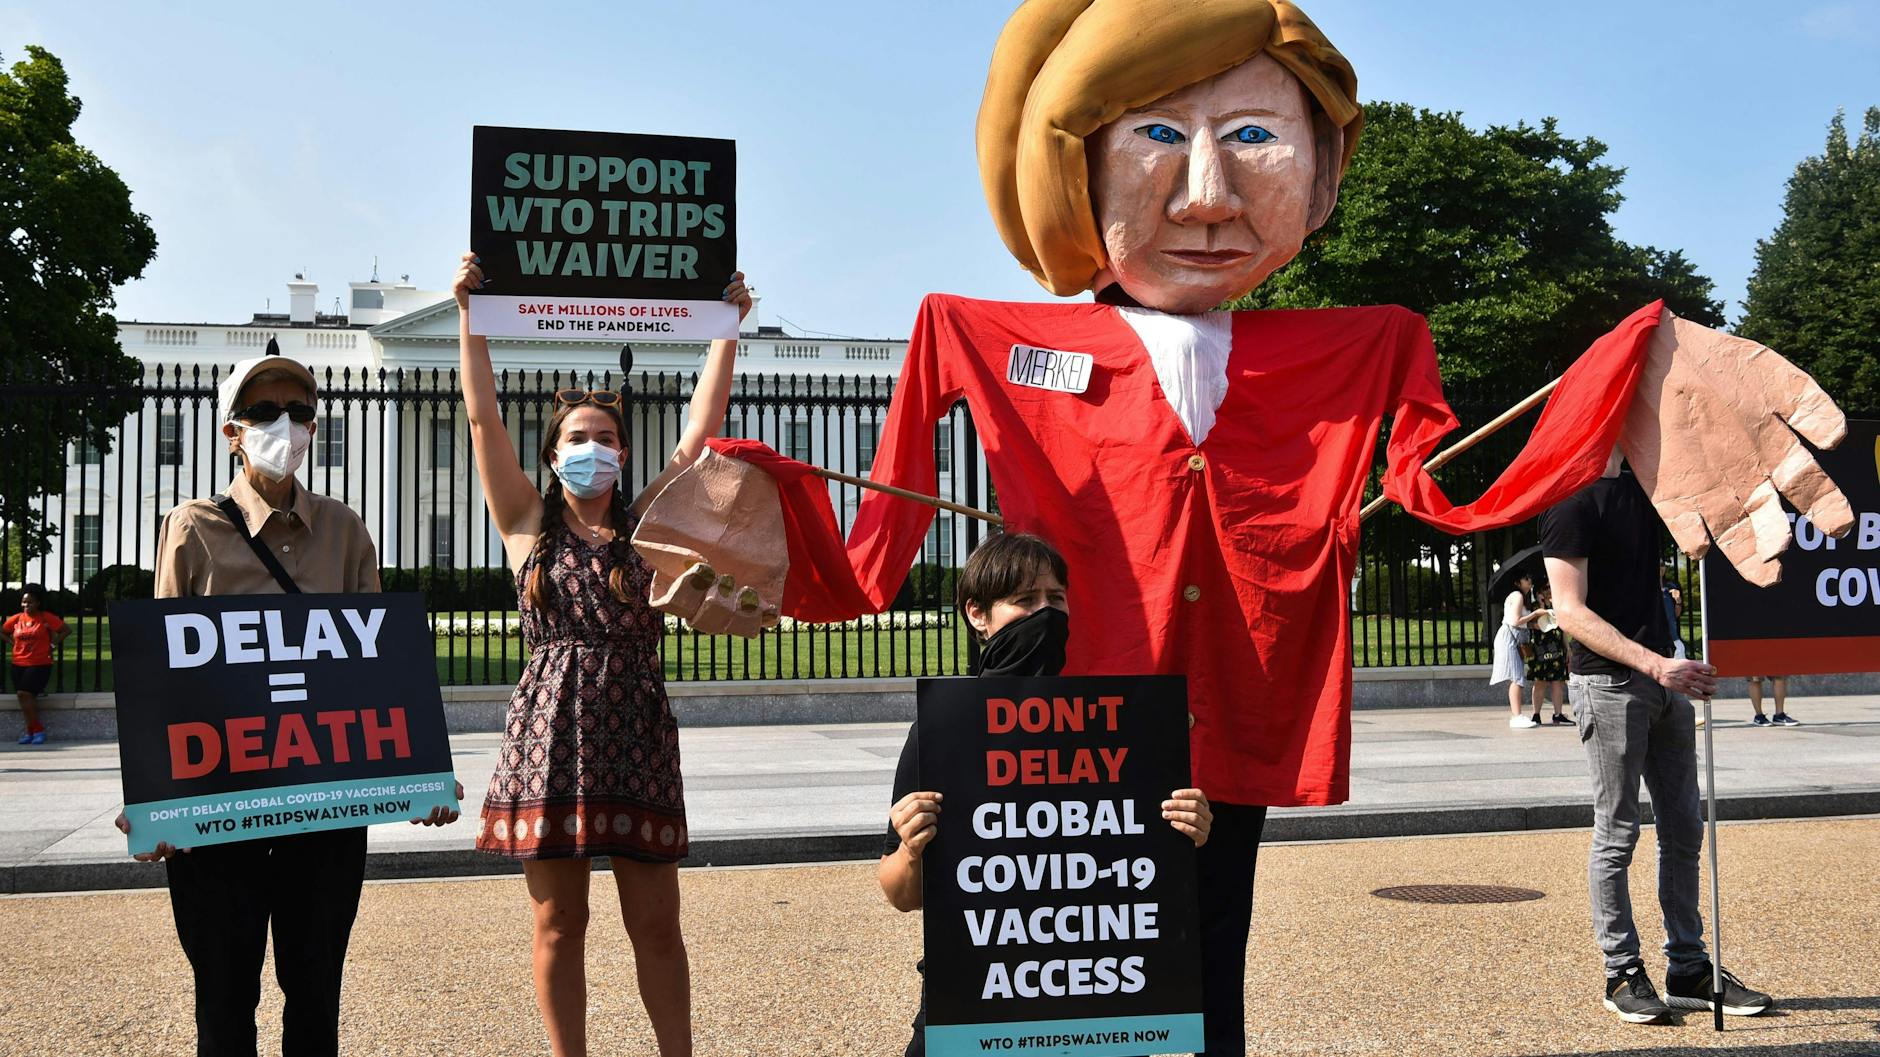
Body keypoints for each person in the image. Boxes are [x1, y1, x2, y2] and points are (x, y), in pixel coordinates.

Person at [113, 351, 462, 1056]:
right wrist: (151, 797)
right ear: (232, 431)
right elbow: (165, 676)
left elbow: (378, 668)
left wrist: (421, 770)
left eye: (299, 412)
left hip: (324, 812)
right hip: (220, 808)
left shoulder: (345, 529)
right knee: (223, 998)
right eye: (266, 411)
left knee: (315, 996)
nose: (287, 424)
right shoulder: (193, 527)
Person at [454, 252, 750, 1057]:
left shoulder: (649, 521)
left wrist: (727, 329)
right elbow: (483, 420)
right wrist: (468, 318)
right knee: (558, 920)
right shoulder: (524, 521)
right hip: (548, 737)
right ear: (552, 456)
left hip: (635, 732)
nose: (596, 448)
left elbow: (698, 436)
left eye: (608, 437)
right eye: (579, 438)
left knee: (657, 923)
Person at [878, 532, 1212, 1056]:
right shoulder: (944, 729)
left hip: (1098, 1006)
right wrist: (911, 848)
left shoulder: (1119, 725)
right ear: (977, 614)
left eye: (1056, 599)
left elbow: (1149, 874)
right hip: (978, 1000)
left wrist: (1190, 831)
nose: (1045, 614)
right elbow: (901, 894)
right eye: (1025, 600)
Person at [1542, 450, 1773, 1024]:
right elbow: (1568, 610)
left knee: (1684, 827)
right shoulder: (1569, 499)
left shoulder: (1649, 492)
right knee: (1617, 832)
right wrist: (1654, 664)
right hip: (1611, 682)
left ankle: (1688, 968)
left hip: (1665, 678)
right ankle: (1621, 971)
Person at [4, 584, 68, 744]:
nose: (26, 605)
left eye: (30, 602)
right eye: (24, 602)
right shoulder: (17, 619)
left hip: (39, 662)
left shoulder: (46, 617)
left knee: (23, 694)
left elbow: (66, 630)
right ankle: (31, 731)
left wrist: (52, 645)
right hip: (18, 663)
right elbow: (2, 631)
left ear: (38, 603)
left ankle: (37, 729)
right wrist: (12, 643)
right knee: (25, 698)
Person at [1491, 573, 1545, 728]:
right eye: (1526, 579)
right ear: (1517, 582)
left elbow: (1519, 622)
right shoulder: (1517, 596)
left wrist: (1534, 624)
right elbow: (1515, 621)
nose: (1530, 581)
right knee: (1517, 677)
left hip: (1514, 637)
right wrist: (1535, 614)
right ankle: (1516, 716)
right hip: (1509, 638)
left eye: (1530, 578)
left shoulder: (1521, 597)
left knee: (1517, 675)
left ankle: (1517, 715)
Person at [1527, 584, 1571, 724]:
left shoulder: (1557, 606)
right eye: (1545, 588)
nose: (1549, 591)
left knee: (1558, 681)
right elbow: (1528, 624)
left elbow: (1562, 628)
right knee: (1540, 681)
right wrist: (1541, 606)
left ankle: (1558, 714)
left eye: (1550, 588)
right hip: (1541, 649)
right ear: (1539, 591)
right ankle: (1536, 714)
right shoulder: (1534, 608)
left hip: (1556, 648)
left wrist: (1567, 648)